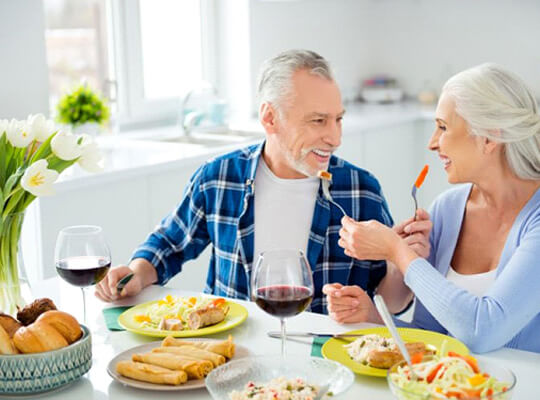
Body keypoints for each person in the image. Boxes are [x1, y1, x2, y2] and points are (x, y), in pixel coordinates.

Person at [95, 49, 395, 314]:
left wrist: (401, 259)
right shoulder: (219, 177)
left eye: (338, 119)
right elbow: (168, 244)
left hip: (326, 356)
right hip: (233, 351)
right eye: (318, 121)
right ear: (270, 118)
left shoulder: (361, 190)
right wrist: (134, 274)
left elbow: (388, 294)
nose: (335, 137)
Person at [324, 63, 540, 353]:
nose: (432, 143)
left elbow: (482, 330)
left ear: (488, 137)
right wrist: (372, 318)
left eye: (442, 127)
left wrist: (397, 253)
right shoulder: (448, 209)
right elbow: (431, 335)